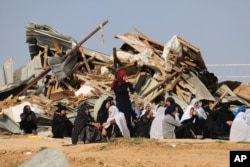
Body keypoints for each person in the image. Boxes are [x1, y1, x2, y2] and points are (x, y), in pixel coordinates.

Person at [111, 69, 134, 135]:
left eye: (126, 75)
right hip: (120, 103)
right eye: (124, 76)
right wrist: (126, 88)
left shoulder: (126, 84)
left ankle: (127, 132)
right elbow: (120, 91)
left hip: (127, 102)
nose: (125, 77)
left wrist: (128, 83)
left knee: (128, 117)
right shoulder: (116, 84)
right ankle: (119, 132)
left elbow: (132, 90)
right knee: (121, 117)